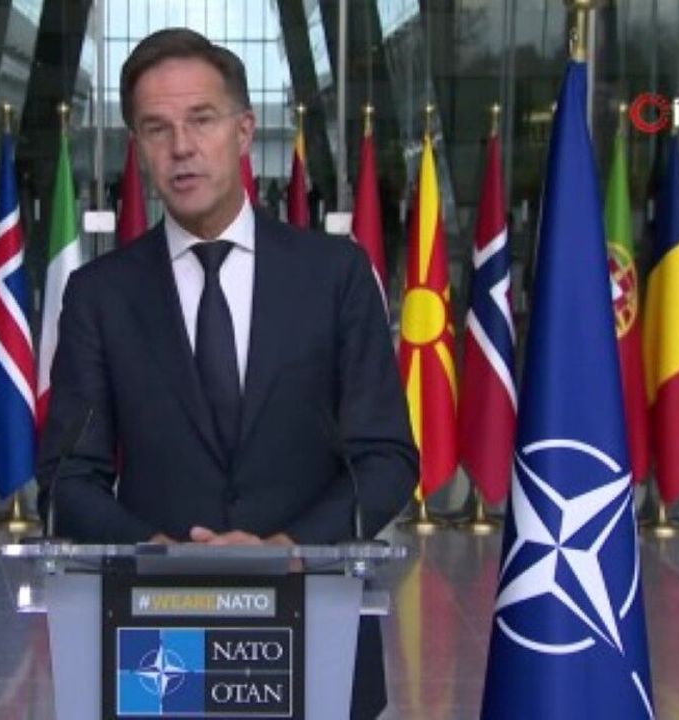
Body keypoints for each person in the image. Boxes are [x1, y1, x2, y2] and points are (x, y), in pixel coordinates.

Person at [36, 28, 417, 719]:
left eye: (201, 120)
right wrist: (158, 555)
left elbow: (386, 457)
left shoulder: (334, 276)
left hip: (313, 624)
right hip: (157, 639)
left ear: (243, 131)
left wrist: (289, 549)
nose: (181, 146)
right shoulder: (100, 294)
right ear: (138, 147)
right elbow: (68, 477)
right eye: (157, 128)